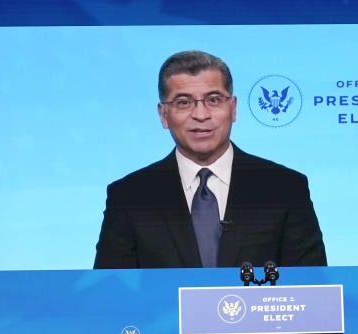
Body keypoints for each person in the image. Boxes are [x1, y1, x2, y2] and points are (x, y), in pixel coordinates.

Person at [93, 50, 327, 269]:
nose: (201, 115)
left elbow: (312, 288)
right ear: (164, 115)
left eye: (213, 100)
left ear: (233, 109)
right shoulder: (128, 196)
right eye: (183, 102)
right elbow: (111, 293)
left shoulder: (286, 188)